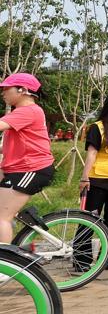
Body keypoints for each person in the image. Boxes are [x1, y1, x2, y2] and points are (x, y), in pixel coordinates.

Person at [0, 73, 54, 244]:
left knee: (2, 217)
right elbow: (15, 145)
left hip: (30, 169)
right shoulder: (21, 113)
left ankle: (4, 265)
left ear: (22, 90)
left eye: (6, 89)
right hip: (15, 167)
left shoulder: (30, 110)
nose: (3, 93)